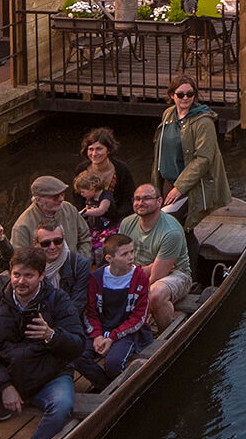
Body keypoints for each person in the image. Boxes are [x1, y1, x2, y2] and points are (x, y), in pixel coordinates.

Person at [0, 244, 85, 439]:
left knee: (61, 406)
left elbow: (78, 345)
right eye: (16, 275)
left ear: (41, 276)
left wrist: (52, 335)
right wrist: (4, 386)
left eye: (28, 276)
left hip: (50, 378)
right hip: (9, 376)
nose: (21, 281)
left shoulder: (58, 301)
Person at [76, 232, 153, 388]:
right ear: (109, 259)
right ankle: (105, 386)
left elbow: (139, 316)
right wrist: (97, 335)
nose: (130, 257)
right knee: (77, 355)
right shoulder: (96, 278)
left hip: (128, 332)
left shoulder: (140, 278)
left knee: (114, 364)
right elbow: (90, 311)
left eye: (131, 252)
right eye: (124, 254)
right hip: (101, 328)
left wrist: (112, 337)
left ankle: (118, 386)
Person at [154, 78, 231, 221]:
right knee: (170, 225)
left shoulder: (204, 122)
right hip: (168, 181)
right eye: (180, 94)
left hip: (189, 184)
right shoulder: (168, 114)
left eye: (190, 94)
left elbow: (204, 158)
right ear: (172, 95)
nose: (185, 98)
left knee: (178, 225)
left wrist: (180, 187)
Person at [121, 180, 191, 332]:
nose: (140, 203)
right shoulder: (127, 224)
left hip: (175, 273)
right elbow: (119, 259)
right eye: (137, 199)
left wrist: (132, 279)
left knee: (155, 294)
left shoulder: (170, 232)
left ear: (159, 202)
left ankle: (165, 333)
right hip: (138, 271)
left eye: (146, 198)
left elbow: (157, 275)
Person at [10, 175, 90, 260]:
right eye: (55, 197)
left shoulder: (69, 209)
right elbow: (20, 259)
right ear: (38, 200)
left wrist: (81, 260)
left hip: (73, 266)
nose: (61, 199)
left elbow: (85, 237)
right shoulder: (22, 226)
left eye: (62, 194)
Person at [32, 219, 91, 313]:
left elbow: (77, 304)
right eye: (46, 243)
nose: (52, 247)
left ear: (64, 239)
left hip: (69, 321)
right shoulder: (30, 265)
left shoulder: (79, 265)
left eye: (57, 241)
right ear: (35, 244)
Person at [78, 127, 136, 219]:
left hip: (117, 218)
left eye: (99, 149)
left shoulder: (122, 169)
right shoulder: (81, 169)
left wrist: (115, 217)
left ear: (108, 150)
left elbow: (129, 200)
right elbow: (78, 199)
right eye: (91, 149)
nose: (94, 153)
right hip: (88, 218)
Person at [73, 166, 118, 242]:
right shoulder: (89, 198)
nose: (81, 194)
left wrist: (85, 212)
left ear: (92, 188)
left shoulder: (105, 197)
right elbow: (87, 209)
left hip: (108, 227)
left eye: (83, 192)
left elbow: (101, 210)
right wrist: (79, 215)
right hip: (94, 227)